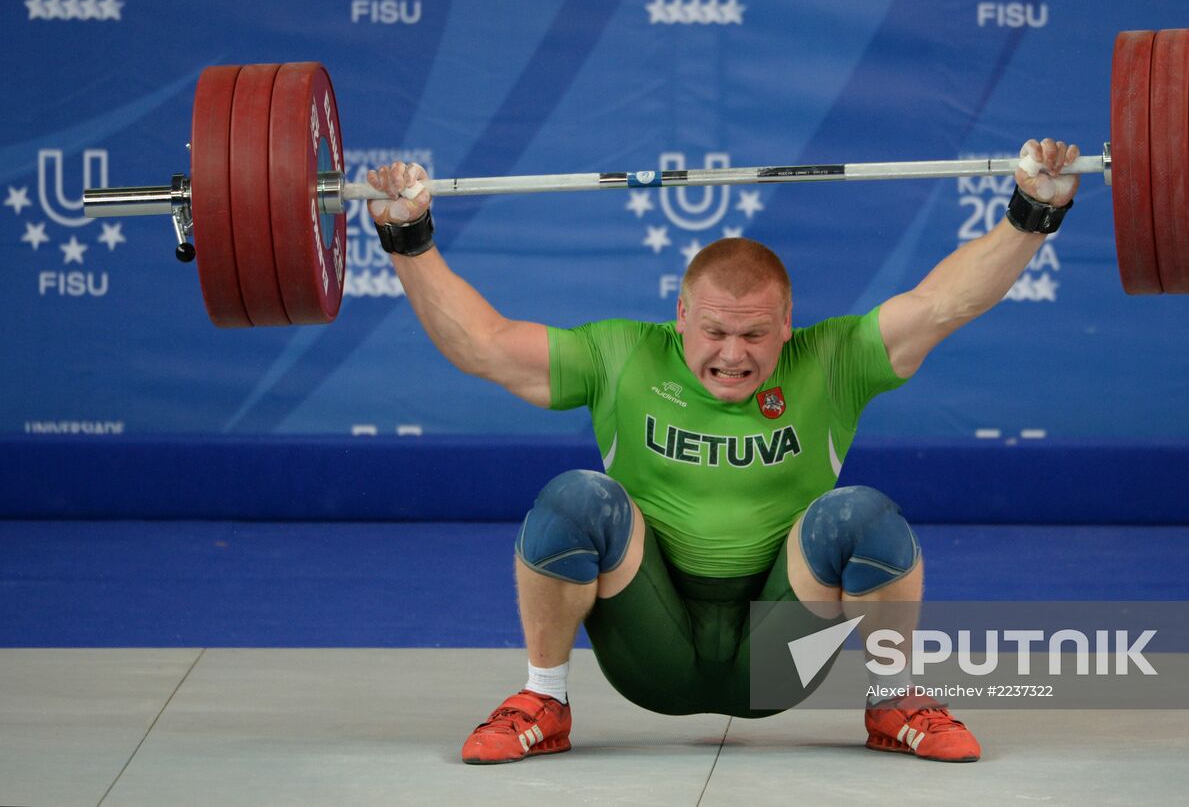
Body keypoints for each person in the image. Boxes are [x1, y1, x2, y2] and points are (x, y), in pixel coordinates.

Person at [366, 138, 1080, 765]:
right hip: (650, 651)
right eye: (714, 331)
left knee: (862, 515)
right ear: (679, 316)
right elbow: (483, 346)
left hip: (778, 660)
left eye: (755, 334)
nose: (733, 355)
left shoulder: (833, 360)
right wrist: (409, 239)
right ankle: (543, 701)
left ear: (787, 323)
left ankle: (893, 703)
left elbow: (942, 303)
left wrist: (1030, 214)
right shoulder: (619, 355)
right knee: (575, 498)